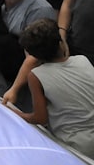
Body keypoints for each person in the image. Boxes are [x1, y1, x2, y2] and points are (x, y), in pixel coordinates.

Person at [8, 18, 94, 157]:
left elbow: (40, 118)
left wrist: (15, 114)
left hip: (75, 145)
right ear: (61, 43)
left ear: (32, 55)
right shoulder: (82, 60)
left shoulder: (36, 76)